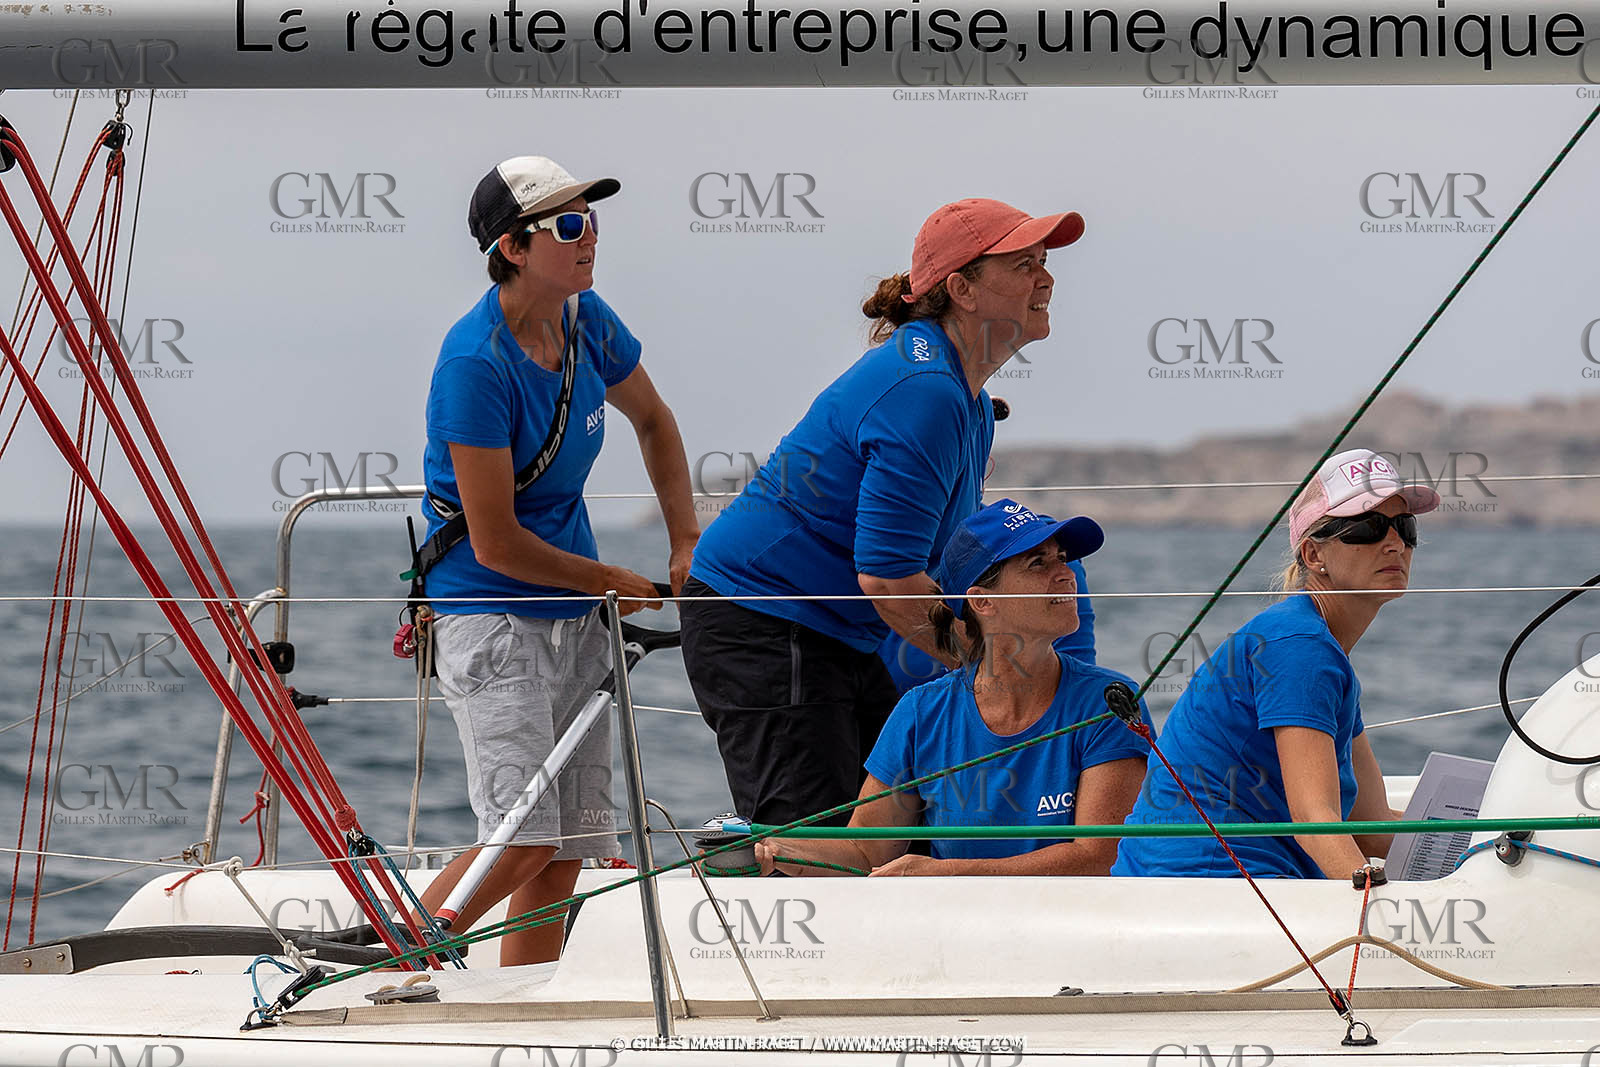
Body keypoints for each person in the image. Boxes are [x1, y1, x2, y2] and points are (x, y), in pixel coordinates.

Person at [681, 198, 1087, 827]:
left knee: (897, 830)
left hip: (835, 629)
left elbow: (943, 563)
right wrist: (993, 668)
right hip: (762, 619)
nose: (1048, 278)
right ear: (962, 290)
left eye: (1044, 262)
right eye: (1024, 263)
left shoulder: (966, 398)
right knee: (817, 844)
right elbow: (889, 578)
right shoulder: (926, 393)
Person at [415, 156, 698, 965]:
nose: (590, 239)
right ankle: (388, 969)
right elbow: (495, 540)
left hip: (575, 609)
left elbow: (654, 420)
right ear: (512, 246)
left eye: (594, 221)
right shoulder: (475, 364)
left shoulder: (587, 318)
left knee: (570, 839)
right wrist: (611, 579)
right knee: (518, 838)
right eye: (569, 226)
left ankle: (522, 1005)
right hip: (490, 613)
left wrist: (684, 540)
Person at [755, 500, 1152, 876]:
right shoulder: (921, 711)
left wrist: (946, 873)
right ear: (981, 602)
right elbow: (864, 851)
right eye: (1038, 563)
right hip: (955, 929)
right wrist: (771, 850)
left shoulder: (1108, 701)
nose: (1065, 574)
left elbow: (1100, 856)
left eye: (1062, 558)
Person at [1113, 448, 1431, 881]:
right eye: (1369, 528)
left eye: (1404, 527)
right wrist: (1378, 909)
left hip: (1226, 882)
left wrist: (1482, 843)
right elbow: (1313, 818)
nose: (1394, 542)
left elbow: (1371, 825)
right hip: (1202, 884)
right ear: (1314, 556)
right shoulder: (1300, 646)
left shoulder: (1316, 646)